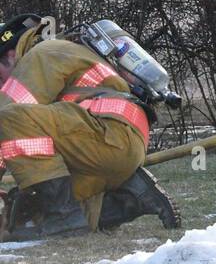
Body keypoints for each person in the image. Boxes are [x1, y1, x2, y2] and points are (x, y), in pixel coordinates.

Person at [0, 15, 180, 238]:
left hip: (106, 135)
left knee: (8, 116)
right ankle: (133, 196)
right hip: (118, 145)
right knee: (30, 215)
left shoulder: (42, 54)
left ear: (9, 55)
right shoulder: (70, 50)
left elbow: (6, 119)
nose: (2, 85)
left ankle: (64, 217)